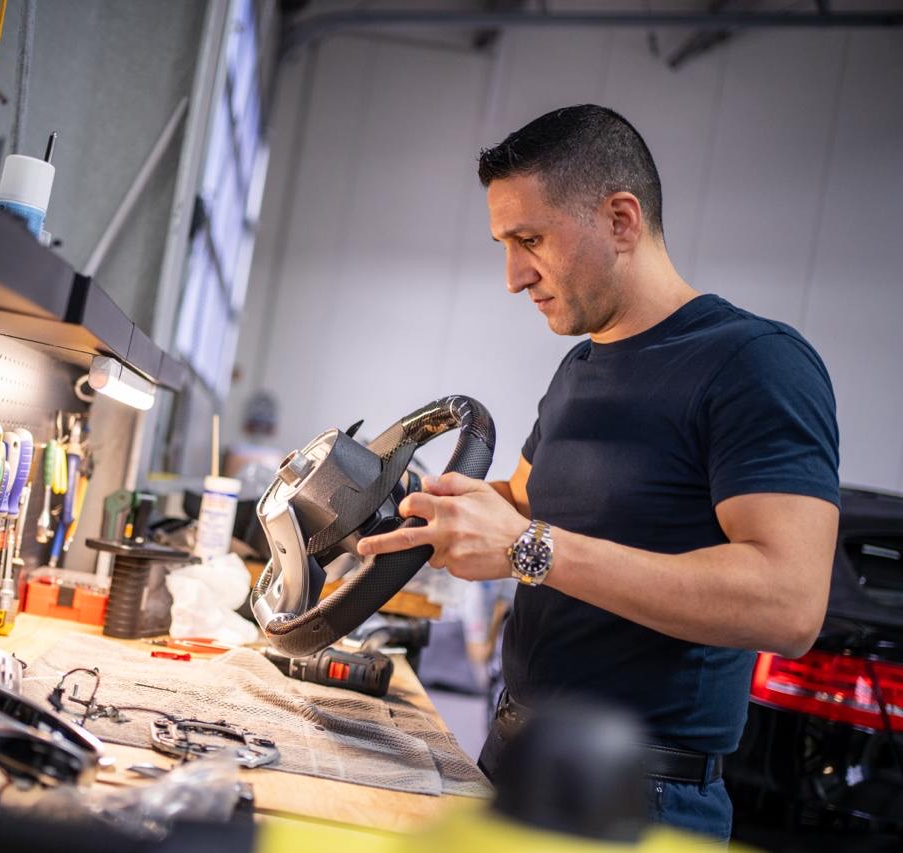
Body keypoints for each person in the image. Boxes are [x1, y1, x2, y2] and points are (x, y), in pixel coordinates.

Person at [356, 105, 840, 842]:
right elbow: (520, 500)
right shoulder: (581, 367)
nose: (515, 276)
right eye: (504, 245)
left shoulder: (755, 364)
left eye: (530, 239)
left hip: (637, 797)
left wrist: (529, 549)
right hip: (514, 755)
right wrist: (383, 492)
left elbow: (789, 603)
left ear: (620, 219)